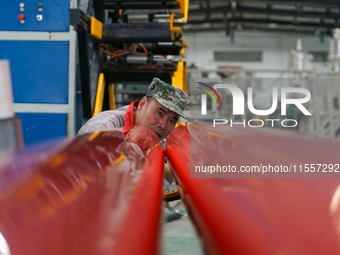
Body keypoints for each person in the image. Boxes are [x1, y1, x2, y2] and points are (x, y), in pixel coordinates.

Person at [78, 78, 189, 186]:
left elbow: (170, 174)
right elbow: (84, 174)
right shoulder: (103, 128)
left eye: (172, 120)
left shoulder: (157, 135)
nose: (163, 125)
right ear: (142, 105)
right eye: (160, 113)